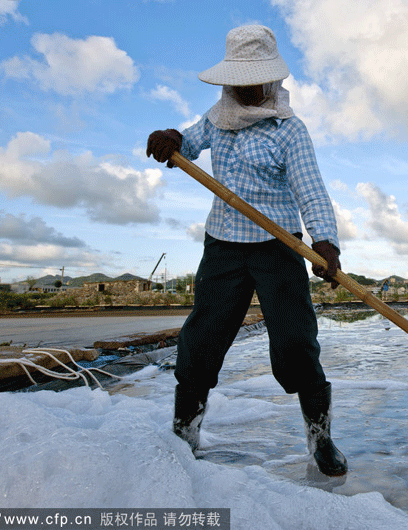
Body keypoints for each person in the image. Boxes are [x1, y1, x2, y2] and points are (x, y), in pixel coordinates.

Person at [146, 25, 347, 476]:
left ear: (271, 78)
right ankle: (185, 435)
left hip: (278, 245)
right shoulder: (218, 117)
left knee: (295, 342)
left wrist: (324, 241)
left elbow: (311, 190)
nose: (246, 89)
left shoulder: (289, 130)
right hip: (224, 244)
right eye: (239, 81)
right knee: (201, 339)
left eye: (254, 80)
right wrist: (171, 138)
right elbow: (188, 142)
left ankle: (321, 439)